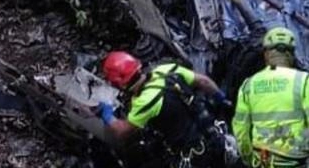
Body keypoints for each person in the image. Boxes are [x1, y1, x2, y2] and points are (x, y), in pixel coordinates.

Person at [98, 51, 230, 168]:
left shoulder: (145, 102)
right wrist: (220, 97)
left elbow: (122, 132)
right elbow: (204, 81)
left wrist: (106, 114)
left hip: (196, 153)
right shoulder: (165, 69)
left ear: (119, 83)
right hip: (215, 134)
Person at [233, 27, 309, 168]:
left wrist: (248, 157)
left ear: (266, 55)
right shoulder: (303, 81)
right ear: (291, 54)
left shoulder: (249, 84)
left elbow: (241, 129)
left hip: (262, 161)